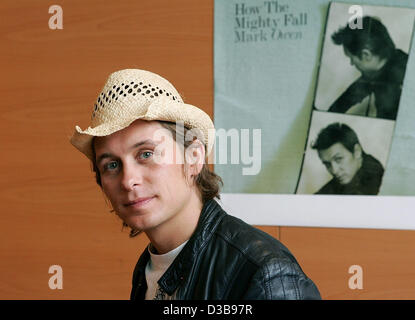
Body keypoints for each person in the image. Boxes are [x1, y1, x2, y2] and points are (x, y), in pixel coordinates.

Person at [70, 69, 321, 300]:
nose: (128, 180)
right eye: (112, 165)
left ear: (194, 157)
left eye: (146, 154)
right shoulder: (148, 268)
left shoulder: (265, 274)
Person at [328, 16, 408, 120]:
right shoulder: (384, 66)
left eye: (351, 58)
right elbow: (348, 97)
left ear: (366, 55)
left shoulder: (394, 89)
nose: (352, 63)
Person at [312, 122, 384, 195]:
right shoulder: (351, 175)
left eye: (338, 159)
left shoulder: (376, 181)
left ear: (357, 151)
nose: (334, 171)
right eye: (327, 164)